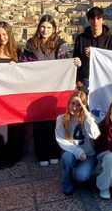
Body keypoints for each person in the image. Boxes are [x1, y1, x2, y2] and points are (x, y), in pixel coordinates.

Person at [21, 15, 82, 167]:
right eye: (43, 26)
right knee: (39, 123)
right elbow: (24, 64)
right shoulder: (30, 45)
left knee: (54, 122)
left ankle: (54, 151)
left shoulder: (60, 45)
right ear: (38, 27)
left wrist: (74, 62)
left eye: (49, 27)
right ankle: (41, 154)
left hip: (54, 90)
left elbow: (65, 62)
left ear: (54, 29)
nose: (45, 30)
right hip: (36, 89)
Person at [0, 21, 24, 169]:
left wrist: (18, 67)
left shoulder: (18, 51)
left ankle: (15, 156)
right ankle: (1, 157)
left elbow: (26, 72)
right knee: (0, 129)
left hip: (15, 97)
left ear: (9, 35)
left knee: (15, 128)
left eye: (4, 34)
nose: (2, 37)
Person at [55, 90, 100, 195]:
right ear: (68, 103)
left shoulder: (88, 119)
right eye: (72, 103)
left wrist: (87, 115)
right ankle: (67, 181)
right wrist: (78, 152)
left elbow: (95, 134)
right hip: (73, 153)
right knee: (66, 157)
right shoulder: (61, 119)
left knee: (81, 177)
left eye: (79, 105)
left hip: (88, 155)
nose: (74, 107)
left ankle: (84, 170)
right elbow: (61, 140)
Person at [73, 7, 112, 91]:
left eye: (98, 18)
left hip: (104, 81)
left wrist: (95, 55)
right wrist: (77, 80)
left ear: (102, 20)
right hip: (85, 81)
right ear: (88, 20)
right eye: (92, 19)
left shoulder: (111, 39)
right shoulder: (80, 38)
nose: (95, 22)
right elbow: (75, 59)